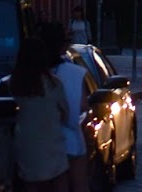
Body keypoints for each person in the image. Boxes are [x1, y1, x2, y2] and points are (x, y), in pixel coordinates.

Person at [10, 34, 71, 192]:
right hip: (52, 143)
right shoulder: (53, 84)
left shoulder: (12, 85)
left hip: (25, 145)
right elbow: (66, 114)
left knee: (30, 183)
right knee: (58, 181)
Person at [41, 21, 91, 192]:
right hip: (70, 141)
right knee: (78, 185)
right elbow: (83, 106)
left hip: (36, 145)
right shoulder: (74, 73)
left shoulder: (26, 76)